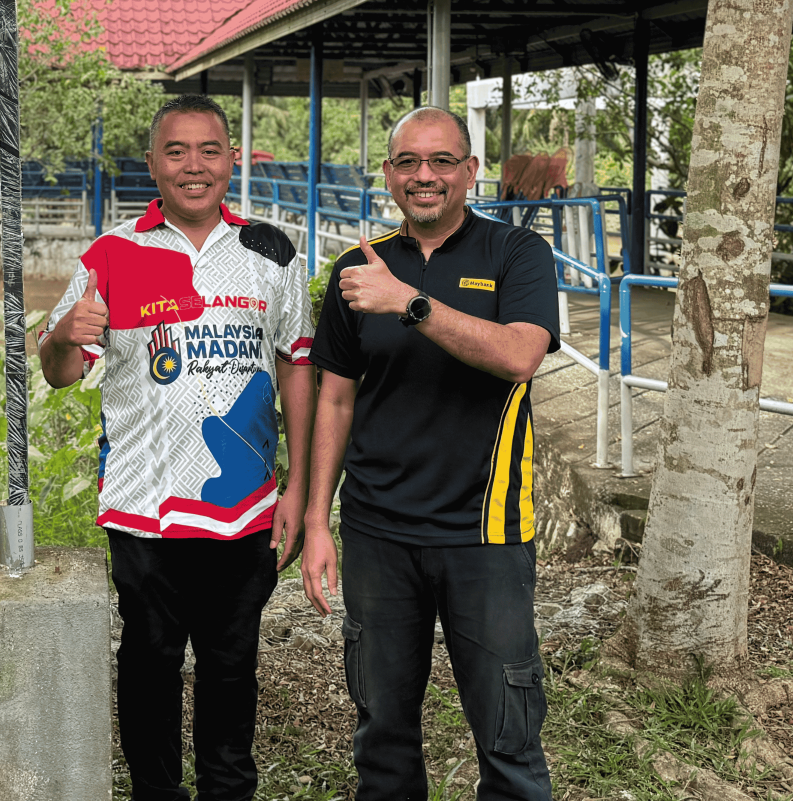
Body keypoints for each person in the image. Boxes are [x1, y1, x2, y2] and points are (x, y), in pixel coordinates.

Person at [40, 94, 315, 801]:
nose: (194, 166)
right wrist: (67, 332)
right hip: (143, 506)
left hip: (243, 507)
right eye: (176, 151)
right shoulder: (112, 253)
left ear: (230, 159)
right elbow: (62, 372)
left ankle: (228, 791)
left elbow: (297, 366)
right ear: (153, 165)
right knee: (149, 664)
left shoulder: (272, 250)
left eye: (209, 150)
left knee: (232, 668)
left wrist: (301, 491)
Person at [301, 106, 560, 801]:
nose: (425, 176)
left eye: (442, 161)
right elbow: (334, 400)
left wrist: (409, 303)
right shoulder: (356, 269)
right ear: (388, 174)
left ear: (470, 171)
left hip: (485, 533)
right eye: (408, 162)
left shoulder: (514, 254)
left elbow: (520, 355)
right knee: (381, 733)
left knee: (508, 735)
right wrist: (319, 522)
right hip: (378, 532)